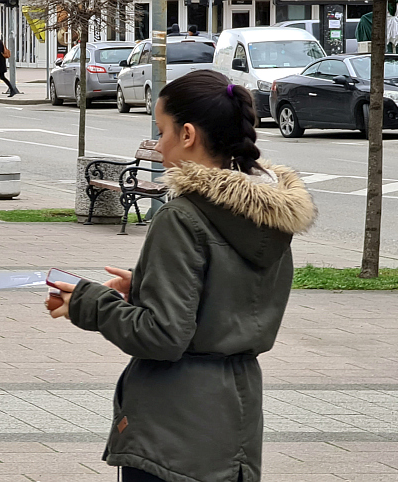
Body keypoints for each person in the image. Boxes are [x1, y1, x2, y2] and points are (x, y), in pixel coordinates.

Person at [46, 69, 317, 482]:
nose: (158, 145)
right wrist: (147, 286)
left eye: (162, 131)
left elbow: (163, 335)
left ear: (188, 134)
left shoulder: (182, 216)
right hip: (236, 421)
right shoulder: (266, 217)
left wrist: (89, 303)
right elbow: (231, 300)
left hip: (173, 432)